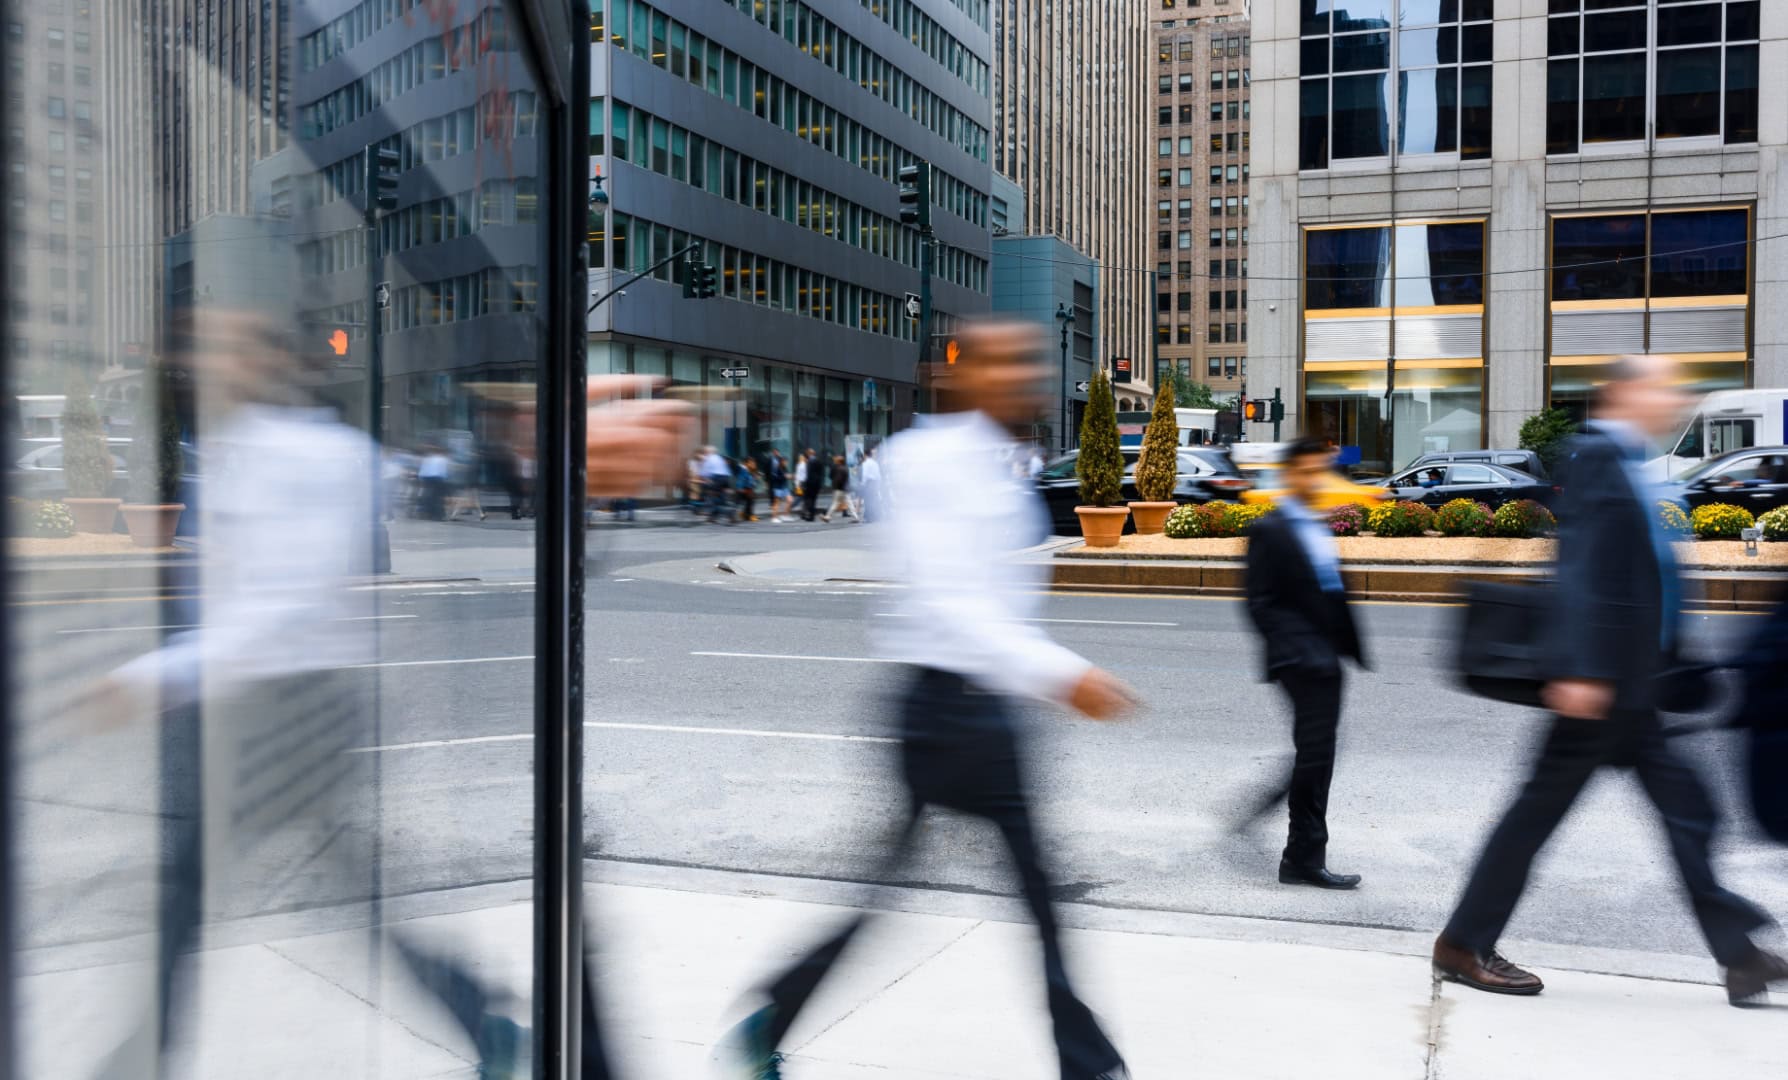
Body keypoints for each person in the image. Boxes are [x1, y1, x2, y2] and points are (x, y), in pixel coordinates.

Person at [722, 320, 1135, 1080]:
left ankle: (773, 1012)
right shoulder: (928, 462)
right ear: (965, 372)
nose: (1028, 377)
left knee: (921, 891)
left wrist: (1035, 672)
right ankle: (1088, 1065)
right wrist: (1060, 674)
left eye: (1030, 363)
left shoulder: (998, 463)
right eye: (1010, 364)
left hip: (974, 709)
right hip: (948, 710)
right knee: (1029, 897)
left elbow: (996, 598)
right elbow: (953, 602)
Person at [1434, 354, 1788, 1005]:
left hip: (1632, 687)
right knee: (1537, 818)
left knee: (1687, 815)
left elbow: (1640, 575)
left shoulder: (1629, 464)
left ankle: (1739, 957)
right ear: (1625, 394)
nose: (1675, 399)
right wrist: (1583, 670)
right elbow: (1586, 573)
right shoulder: (1599, 457)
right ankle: (1463, 943)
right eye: (1664, 387)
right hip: (1599, 689)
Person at [1239, 436, 1367, 889]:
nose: (1316, 479)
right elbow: (1260, 603)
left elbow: (1327, 591)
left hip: (1326, 659)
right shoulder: (1270, 529)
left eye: (1322, 471)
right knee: (1317, 755)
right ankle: (1302, 858)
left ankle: (1270, 812)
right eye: (1308, 471)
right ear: (1289, 474)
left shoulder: (1316, 524)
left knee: (1317, 754)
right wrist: (1303, 651)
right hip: (1301, 662)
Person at [417, 444, 451, 521]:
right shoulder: (443, 459)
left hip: (427, 479)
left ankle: (430, 513)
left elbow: (422, 471)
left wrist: (421, 479)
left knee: (429, 496)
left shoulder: (427, 459)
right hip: (438, 479)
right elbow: (444, 471)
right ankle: (438, 515)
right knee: (438, 498)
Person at [822, 454, 854, 522]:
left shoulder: (838, 468)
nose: (835, 460)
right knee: (847, 503)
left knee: (837, 503)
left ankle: (828, 516)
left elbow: (833, 477)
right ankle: (855, 517)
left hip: (840, 489)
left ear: (839, 461)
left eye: (837, 460)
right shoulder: (844, 467)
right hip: (843, 488)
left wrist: (837, 485)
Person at [858, 445, 883, 523]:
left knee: (868, 501)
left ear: (865, 455)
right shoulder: (875, 463)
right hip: (875, 483)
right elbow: (879, 475)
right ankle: (875, 517)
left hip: (869, 483)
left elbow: (865, 475)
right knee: (874, 500)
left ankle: (869, 518)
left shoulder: (866, 463)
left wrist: (862, 483)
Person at [799, 447, 824, 522]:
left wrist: (805, 484)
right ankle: (811, 516)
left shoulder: (810, 462)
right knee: (813, 500)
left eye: (807, 453)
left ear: (809, 453)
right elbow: (821, 473)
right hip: (817, 484)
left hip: (810, 485)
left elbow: (809, 475)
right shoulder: (818, 460)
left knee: (808, 500)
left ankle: (810, 516)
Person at [767, 450, 792, 522]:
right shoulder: (777, 468)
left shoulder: (784, 468)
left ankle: (785, 515)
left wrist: (789, 476)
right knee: (777, 502)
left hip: (784, 487)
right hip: (778, 487)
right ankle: (774, 518)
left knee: (790, 500)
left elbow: (786, 475)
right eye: (785, 461)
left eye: (787, 461)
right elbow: (775, 478)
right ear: (782, 461)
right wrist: (785, 477)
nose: (786, 463)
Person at [737, 458, 760, 522]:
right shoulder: (744, 470)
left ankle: (745, 514)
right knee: (750, 502)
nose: (753, 464)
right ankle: (750, 515)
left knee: (749, 502)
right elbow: (740, 479)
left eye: (753, 463)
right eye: (751, 463)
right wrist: (740, 488)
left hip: (749, 489)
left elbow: (755, 483)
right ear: (746, 464)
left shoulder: (753, 471)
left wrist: (756, 479)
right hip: (745, 489)